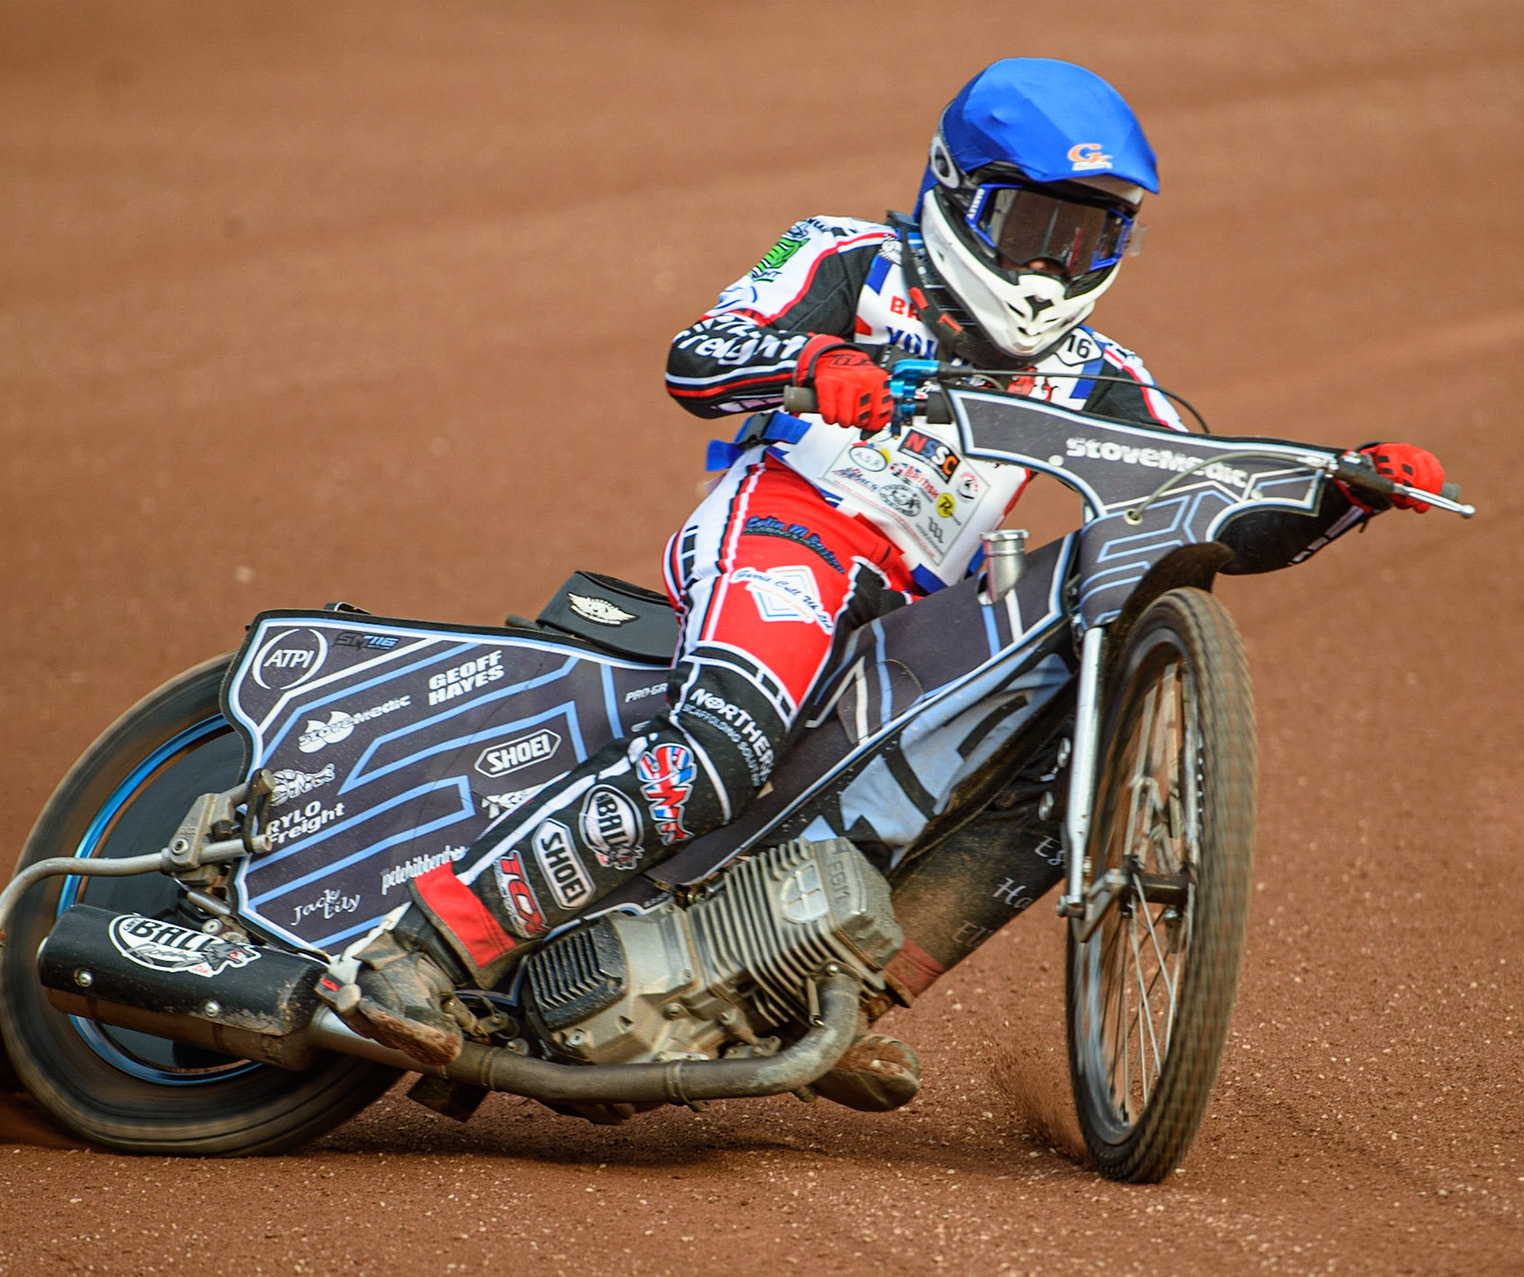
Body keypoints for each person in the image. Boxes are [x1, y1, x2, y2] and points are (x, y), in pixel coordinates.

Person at [321, 59, 1444, 1105]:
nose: (1054, 264)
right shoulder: (850, 257)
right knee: (721, 744)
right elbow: (698, 355)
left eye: (1090, 238)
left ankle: (816, 992)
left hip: (914, 611)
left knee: (1056, 773)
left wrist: (1341, 493)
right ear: (956, 194)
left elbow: (1199, 495)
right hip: (787, 536)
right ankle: (421, 949)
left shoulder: (1101, 374)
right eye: (1034, 225)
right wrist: (815, 366)